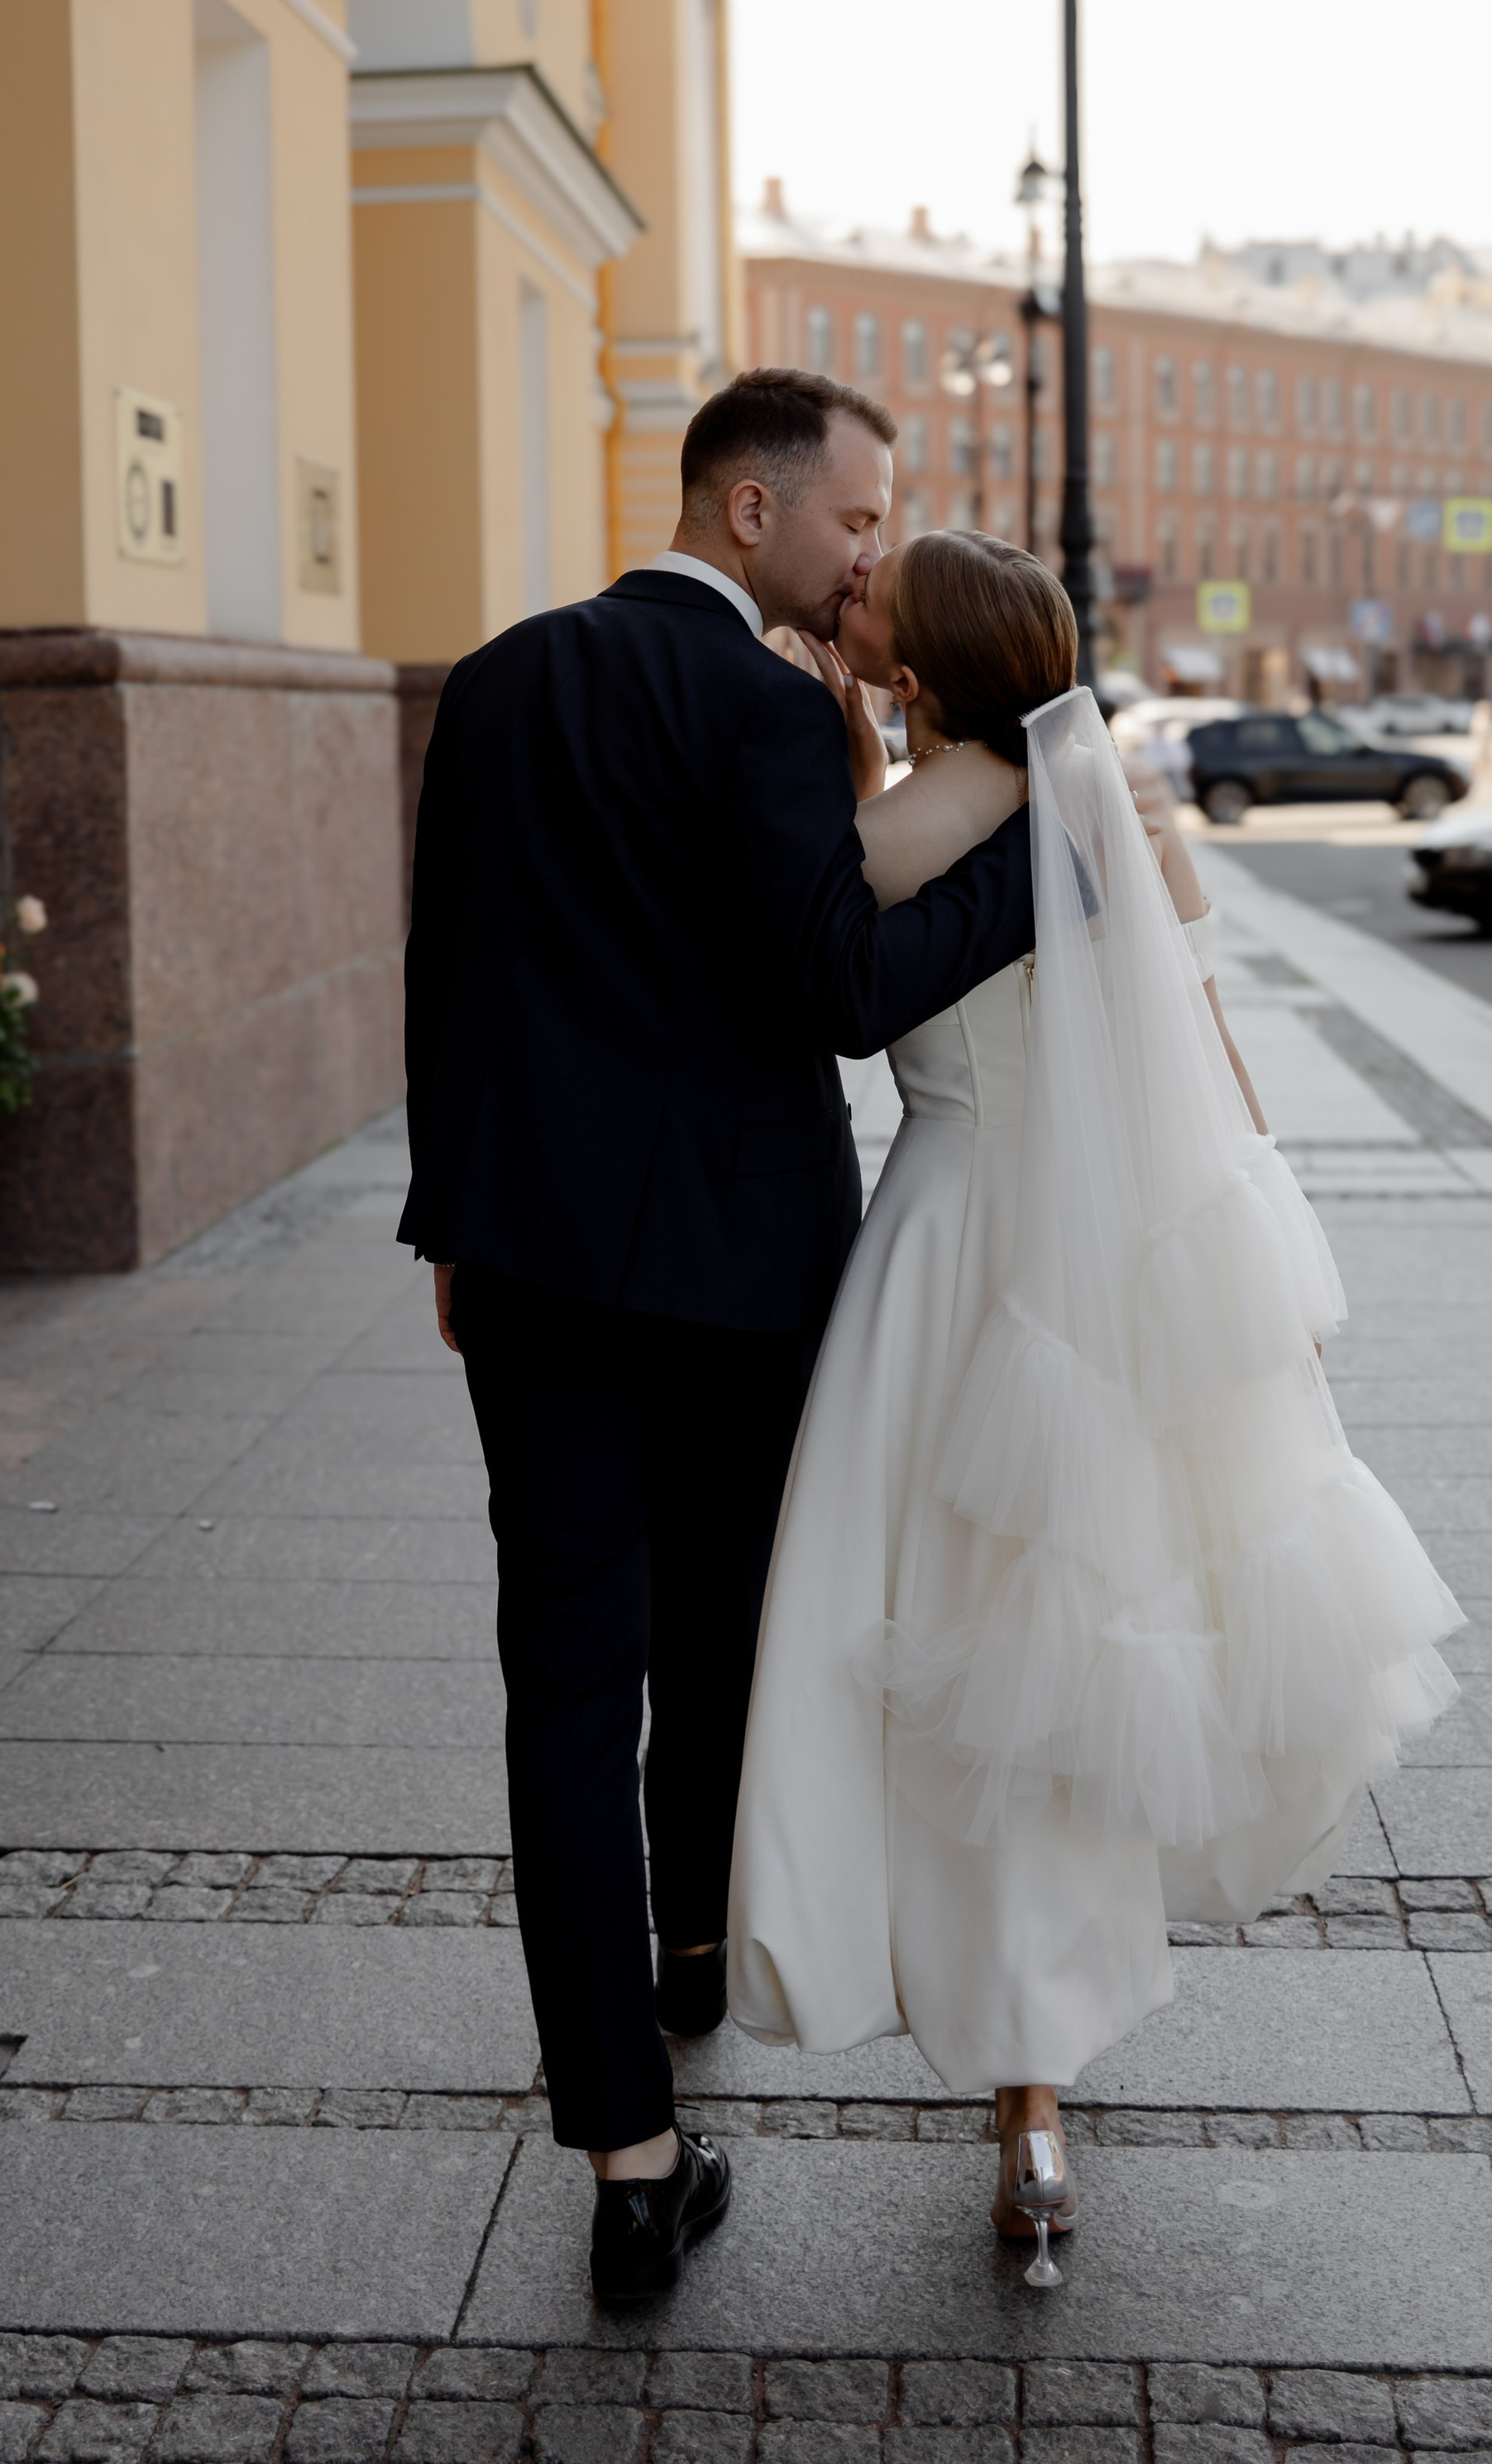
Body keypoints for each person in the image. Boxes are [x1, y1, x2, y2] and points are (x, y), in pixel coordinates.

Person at [729, 531, 1463, 2252]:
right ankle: (1033, 2104)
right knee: (1065, 1662)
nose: (846, 609)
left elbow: (829, 935)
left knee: (919, 1652)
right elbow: (1209, 1063)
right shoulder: (1116, 808)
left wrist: (843, 751)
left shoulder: (896, 828)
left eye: (869, 613)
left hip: (945, 1254)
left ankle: (973, 2036)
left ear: (914, 673)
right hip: (1108, 1261)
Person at [399, 375, 1038, 2307]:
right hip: (739, 1280)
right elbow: (842, 989)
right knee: (726, 1631)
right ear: (746, 511)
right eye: (857, 521)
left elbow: (454, 966)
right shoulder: (760, 707)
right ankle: (692, 1947)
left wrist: (453, 1216)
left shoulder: (497, 681)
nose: (874, 557)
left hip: (527, 1273)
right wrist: (1039, 868)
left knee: (567, 1694)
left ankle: (626, 2145)